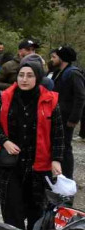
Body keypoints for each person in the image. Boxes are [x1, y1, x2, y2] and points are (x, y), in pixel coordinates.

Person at [0, 60, 63, 230]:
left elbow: (58, 134)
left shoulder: (50, 101)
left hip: (39, 165)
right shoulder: (6, 97)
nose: (24, 79)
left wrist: (56, 159)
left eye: (30, 76)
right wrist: (5, 141)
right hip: (9, 164)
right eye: (21, 75)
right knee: (12, 209)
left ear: (38, 78)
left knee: (36, 210)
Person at [48, 46, 85, 179]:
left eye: (54, 57)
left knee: (65, 147)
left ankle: (67, 178)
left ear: (62, 58)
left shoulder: (73, 73)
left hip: (66, 118)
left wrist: (74, 119)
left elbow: (80, 97)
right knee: (56, 145)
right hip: (57, 116)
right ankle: (57, 174)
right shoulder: (59, 72)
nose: (52, 59)